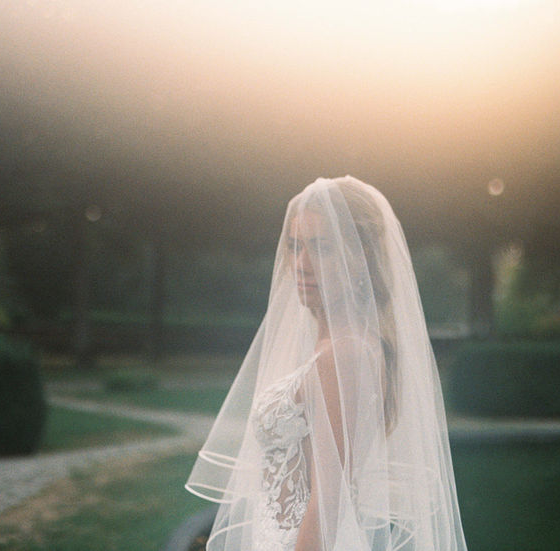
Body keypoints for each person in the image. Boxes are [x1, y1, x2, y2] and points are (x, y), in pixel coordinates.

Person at [186, 176, 468, 551]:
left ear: (359, 257)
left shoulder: (347, 355)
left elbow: (328, 504)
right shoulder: (329, 345)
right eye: (295, 246)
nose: (301, 264)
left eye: (321, 248)